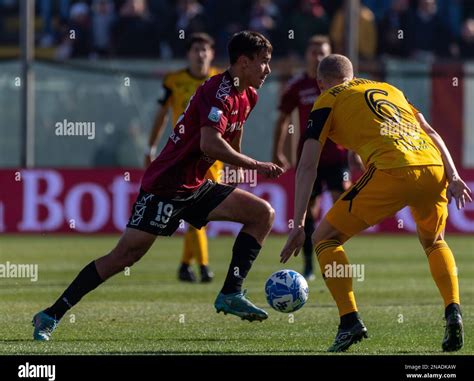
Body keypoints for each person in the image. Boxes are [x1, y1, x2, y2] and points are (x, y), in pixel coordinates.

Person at [33, 31, 283, 341]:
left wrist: (235, 167)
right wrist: (255, 165)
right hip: (166, 185)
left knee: (263, 214)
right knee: (124, 257)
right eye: (264, 63)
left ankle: (231, 292)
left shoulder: (249, 94)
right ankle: (50, 314)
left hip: (197, 185)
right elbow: (210, 143)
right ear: (244, 62)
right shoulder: (217, 90)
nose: (268, 70)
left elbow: (232, 136)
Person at [281, 54, 471, 352]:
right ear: (354, 75)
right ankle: (454, 311)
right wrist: (455, 175)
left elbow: (307, 165)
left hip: (393, 169)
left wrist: (299, 223)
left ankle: (349, 321)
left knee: (324, 238)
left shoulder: (327, 99)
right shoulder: (389, 89)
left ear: (320, 83)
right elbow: (431, 132)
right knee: (434, 242)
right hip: (434, 167)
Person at [272, 35, 354, 280]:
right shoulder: (298, 86)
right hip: (309, 159)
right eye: (314, 52)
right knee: (309, 211)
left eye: (323, 53)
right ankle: (308, 265)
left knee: (345, 206)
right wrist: (277, 151)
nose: (318, 56)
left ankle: (333, 255)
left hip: (338, 157)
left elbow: (354, 121)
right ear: (307, 55)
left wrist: (355, 152)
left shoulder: (342, 84)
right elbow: (283, 119)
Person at [145, 32, 220, 283]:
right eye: (196, 49)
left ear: (212, 54)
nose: (200, 54)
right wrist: (151, 146)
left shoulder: (221, 80)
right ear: (188, 54)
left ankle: (185, 264)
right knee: (197, 209)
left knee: (199, 211)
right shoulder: (174, 81)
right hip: (184, 153)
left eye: (205, 50)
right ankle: (204, 267)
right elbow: (162, 114)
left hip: (213, 155)